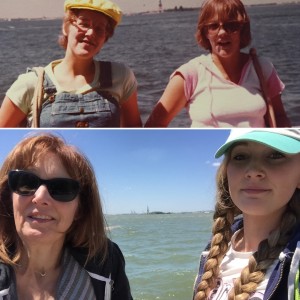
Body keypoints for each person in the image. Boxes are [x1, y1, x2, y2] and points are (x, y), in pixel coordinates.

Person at [0, 133, 133, 299]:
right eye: (26, 182)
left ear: (80, 209)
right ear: (8, 197)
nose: (41, 197)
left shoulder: (106, 260)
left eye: (61, 188)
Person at [145, 0, 291, 128]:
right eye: (213, 26)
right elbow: (153, 126)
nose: (222, 32)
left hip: (255, 157)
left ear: (242, 29)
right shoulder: (190, 74)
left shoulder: (263, 68)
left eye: (231, 25)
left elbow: (280, 117)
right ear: (205, 32)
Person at [193, 128, 300, 300]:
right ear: (227, 173)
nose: (252, 170)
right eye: (240, 156)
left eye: (275, 155)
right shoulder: (212, 251)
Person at [0, 0, 141, 128]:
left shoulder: (121, 77)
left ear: (105, 37)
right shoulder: (32, 83)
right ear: (66, 27)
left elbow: (135, 136)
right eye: (84, 24)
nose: (91, 32)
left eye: (99, 29)